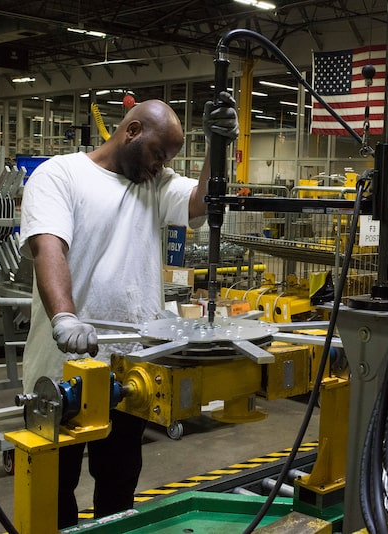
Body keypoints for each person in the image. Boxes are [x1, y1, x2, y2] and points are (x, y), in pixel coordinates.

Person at [18, 94, 238, 528]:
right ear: (132, 131)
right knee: (53, 488)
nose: (161, 165)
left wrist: (218, 146)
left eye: (168, 159)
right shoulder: (60, 174)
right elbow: (48, 247)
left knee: (119, 484)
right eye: (158, 153)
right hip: (61, 368)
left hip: (130, 370)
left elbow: (201, 200)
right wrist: (65, 317)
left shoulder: (154, 184)